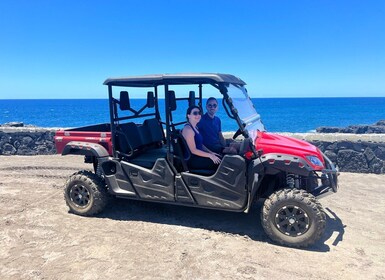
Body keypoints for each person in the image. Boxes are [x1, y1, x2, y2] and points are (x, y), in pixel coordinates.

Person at [182, 105, 222, 170]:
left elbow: (200, 144)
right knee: (220, 163)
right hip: (193, 159)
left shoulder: (195, 127)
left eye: (199, 113)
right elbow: (193, 150)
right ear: (188, 115)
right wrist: (210, 155)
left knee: (220, 157)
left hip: (199, 155)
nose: (198, 115)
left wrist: (210, 152)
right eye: (195, 113)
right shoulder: (188, 130)